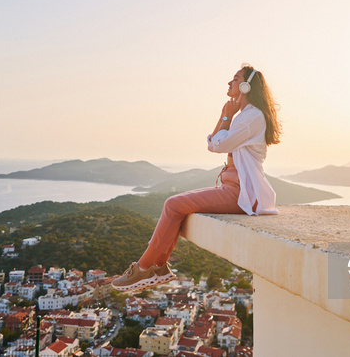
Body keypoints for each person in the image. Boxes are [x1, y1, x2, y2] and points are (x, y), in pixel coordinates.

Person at [112, 64, 282, 292]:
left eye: (235, 79)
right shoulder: (244, 116)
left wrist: (226, 116)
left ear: (245, 86)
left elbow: (219, 144)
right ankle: (158, 268)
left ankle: (144, 268)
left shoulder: (251, 117)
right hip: (232, 188)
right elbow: (214, 144)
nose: (229, 83)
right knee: (175, 205)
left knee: (173, 204)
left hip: (241, 192)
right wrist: (227, 117)